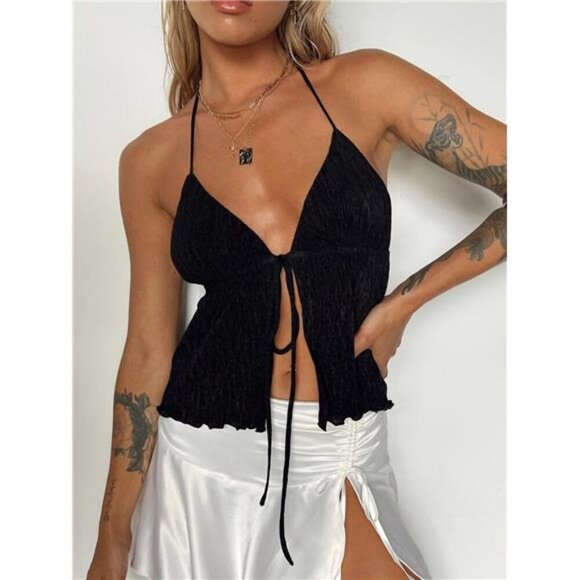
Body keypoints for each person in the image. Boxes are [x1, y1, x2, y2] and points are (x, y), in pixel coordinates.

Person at [87, 1, 506, 579]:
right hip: (201, 474)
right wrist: (111, 538)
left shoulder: (365, 86)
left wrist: (403, 305)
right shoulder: (150, 159)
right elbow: (147, 352)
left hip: (336, 453)